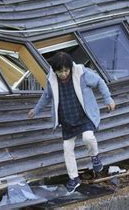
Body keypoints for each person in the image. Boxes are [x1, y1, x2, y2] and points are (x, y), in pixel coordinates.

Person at [28, 51, 115, 194]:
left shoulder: (82, 73)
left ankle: (95, 156)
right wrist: (36, 110)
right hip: (67, 119)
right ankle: (74, 178)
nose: (63, 74)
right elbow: (46, 96)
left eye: (65, 70)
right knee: (67, 149)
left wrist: (108, 99)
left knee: (88, 137)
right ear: (55, 70)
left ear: (70, 68)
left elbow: (99, 81)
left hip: (84, 115)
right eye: (59, 71)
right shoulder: (52, 80)